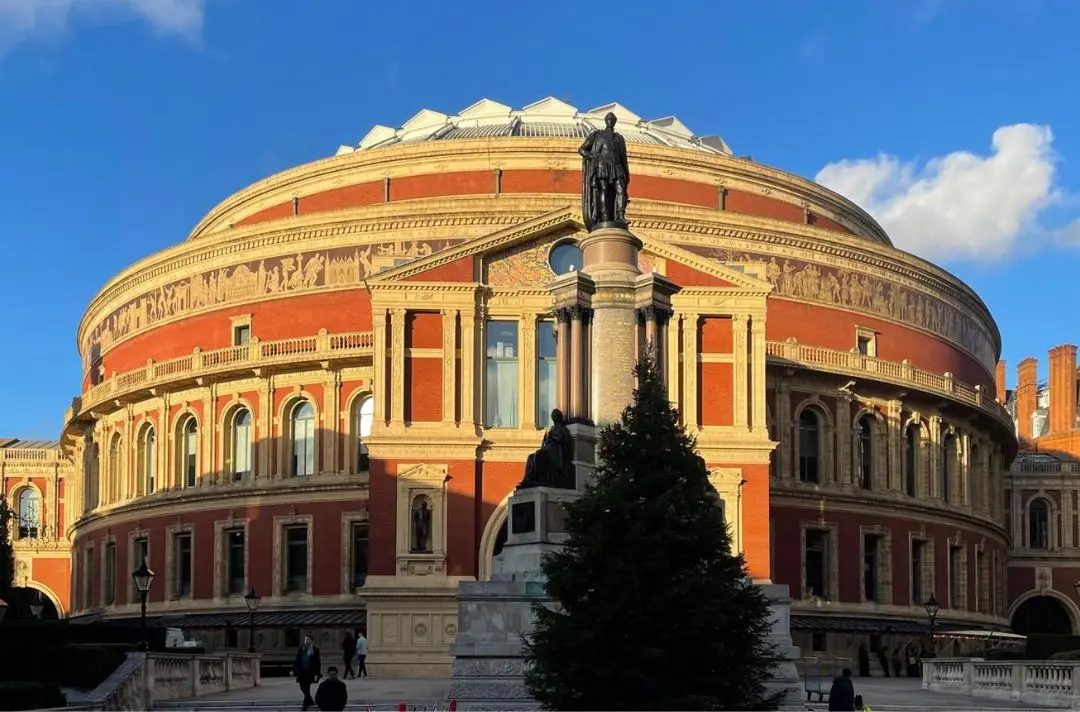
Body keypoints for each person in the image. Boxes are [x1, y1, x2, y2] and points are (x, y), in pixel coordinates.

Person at [290, 635, 322, 711]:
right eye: (305, 639)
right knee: (302, 687)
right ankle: (310, 700)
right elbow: (297, 660)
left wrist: (317, 673)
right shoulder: (301, 649)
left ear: (311, 640)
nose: (306, 641)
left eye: (307, 639)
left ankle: (305, 705)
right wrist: (293, 670)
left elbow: (318, 662)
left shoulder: (315, 649)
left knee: (307, 687)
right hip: (301, 671)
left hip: (310, 672)